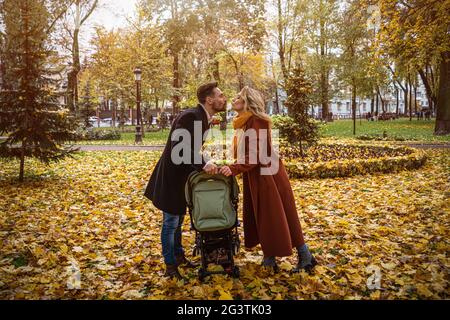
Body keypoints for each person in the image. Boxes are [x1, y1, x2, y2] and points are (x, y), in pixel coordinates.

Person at [219, 86, 317, 273]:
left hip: (268, 177)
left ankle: (300, 257)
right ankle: (275, 259)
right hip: (257, 175)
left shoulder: (257, 121)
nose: (234, 99)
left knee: (275, 216)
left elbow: (254, 155)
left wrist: (233, 169)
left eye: (238, 97)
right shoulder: (243, 122)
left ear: (247, 102)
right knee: (267, 217)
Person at [144, 82, 227, 280]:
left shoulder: (203, 118)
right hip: (172, 177)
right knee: (171, 222)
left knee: (179, 219)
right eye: (221, 95)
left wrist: (205, 161)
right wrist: (202, 164)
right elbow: (178, 148)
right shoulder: (191, 116)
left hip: (182, 176)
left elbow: (190, 147)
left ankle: (179, 255)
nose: (224, 99)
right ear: (209, 100)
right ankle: (170, 266)